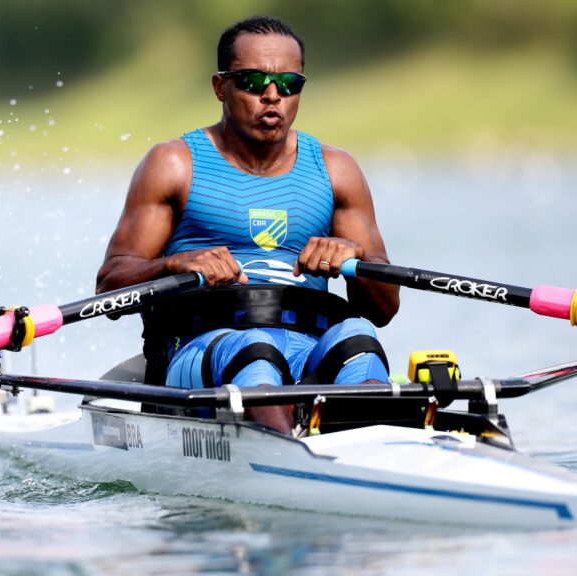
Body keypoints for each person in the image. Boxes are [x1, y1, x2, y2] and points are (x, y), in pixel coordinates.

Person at [95, 15, 400, 433]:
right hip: (203, 347)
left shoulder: (337, 170)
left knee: (360, 341)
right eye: (254, 82)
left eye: (288, 84)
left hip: (307, 349)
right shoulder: (173, 164)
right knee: (254, 353)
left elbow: (384, 309)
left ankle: (367, 447)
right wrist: (174, 264)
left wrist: (356, 257)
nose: (272, 97)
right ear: (221, 87)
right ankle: (290, 458)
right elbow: (110, 286)